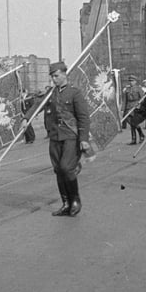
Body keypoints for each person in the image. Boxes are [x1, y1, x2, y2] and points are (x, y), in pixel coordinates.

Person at [42, 61, 90, 216]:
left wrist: (84, 139)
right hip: (55, 137)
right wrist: (26, 118)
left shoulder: (74, 93)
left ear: (64, 74)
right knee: (58, 170)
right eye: (52, 76)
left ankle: (75, 200)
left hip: (70, 136)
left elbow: (83, 117)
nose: (53, 79)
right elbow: (37, 105)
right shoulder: (51, 93)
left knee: (66, 168)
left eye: (56, 76)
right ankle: (66, 203)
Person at [122, 75, 145, 144]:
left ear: (135, 81)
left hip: (135, 108)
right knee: (130, 123)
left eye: (132, 81)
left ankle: (135, 138)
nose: (131, 82)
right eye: (130, 81)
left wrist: (139, 105)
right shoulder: (127, 89)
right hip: (128, 108)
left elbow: (142, 98)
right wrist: (123, 109)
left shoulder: (139, 89)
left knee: (134, 123)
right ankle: (140, 135)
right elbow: (125, 100)